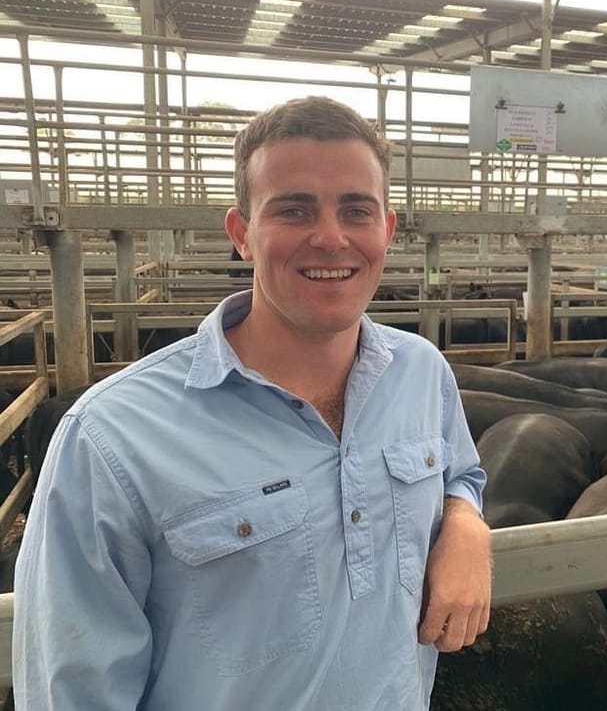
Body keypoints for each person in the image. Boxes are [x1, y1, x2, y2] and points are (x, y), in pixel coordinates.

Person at [13, 96, 492, 710]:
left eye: (356, 210)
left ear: (388, 231)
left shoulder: (421, 372)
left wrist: (465, 522)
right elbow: (71, 690)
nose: (330, 237)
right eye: (293, 210)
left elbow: (463, 473)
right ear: (242, 234)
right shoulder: (109, 438)